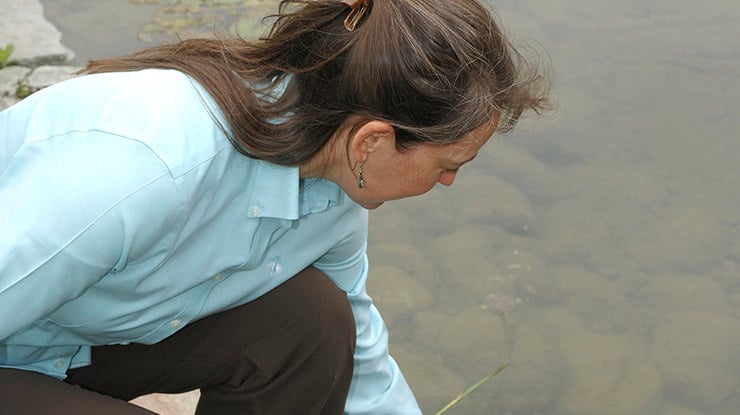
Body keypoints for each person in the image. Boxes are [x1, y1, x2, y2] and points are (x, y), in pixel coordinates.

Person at [0, 0, 550, 413]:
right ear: (372, 142)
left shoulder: (331, 193)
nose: (451, 180)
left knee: (316, 322)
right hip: (18, 345)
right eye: (448, 163)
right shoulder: (145, 165)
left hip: (74, 343)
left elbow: (363, 363)